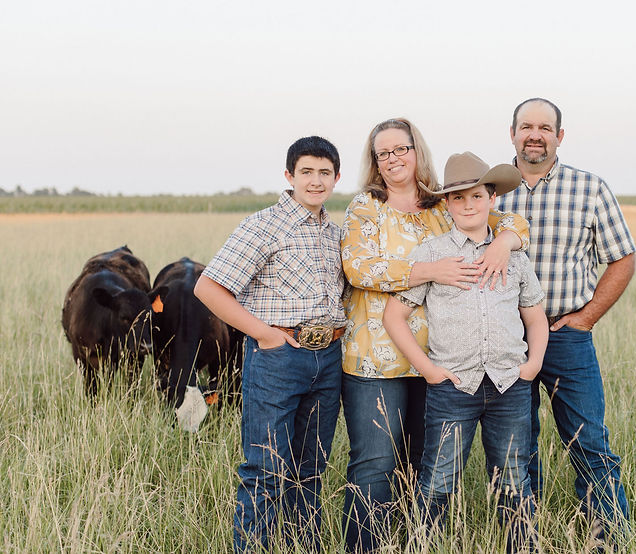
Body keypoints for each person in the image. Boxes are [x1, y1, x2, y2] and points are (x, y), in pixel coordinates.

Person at [340, 118, 530, 552]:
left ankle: (413, 543)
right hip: (376, 358)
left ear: (416, 150)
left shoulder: (441, 206)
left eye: (400, 149)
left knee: (423, 465)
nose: (393, 159)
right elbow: (358, 268)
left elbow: (513, 221)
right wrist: (428, 270)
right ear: (374, 162)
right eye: (383, 153)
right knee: (375, 462)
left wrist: (505, 243)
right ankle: (366, 546)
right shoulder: (366, 208)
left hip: (438, 361)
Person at [382, 152, 549, 552]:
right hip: (453, 386)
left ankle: (521, 547)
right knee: (438, 479)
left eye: (477, 196)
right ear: (448, 204)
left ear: (492, 199)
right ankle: (423, 545)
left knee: (513, 479)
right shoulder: (431, 254)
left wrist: (533, 365)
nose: (469, 205)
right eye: (458, 198)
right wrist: (428, 370)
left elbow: (536, 317)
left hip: (510, 384)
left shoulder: (514, 255)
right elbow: (394, 316)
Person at [193, 136, 345, 553]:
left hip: (328, 357)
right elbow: (208, 287)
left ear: (335, 178)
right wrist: (263, 334)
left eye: (324, 173)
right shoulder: (263, 225)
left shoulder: (335, 233)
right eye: (307, 172)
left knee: (311, 469)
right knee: (265, 467)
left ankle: (303, 545)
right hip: (279, 358)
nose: (316, 181)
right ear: (289, 176)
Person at [496, 98, 636, 538]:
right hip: (504, 339)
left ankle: (609, 539)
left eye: (544, 127)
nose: (534, 134)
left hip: (565, 336)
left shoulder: (590, 188)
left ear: (560, 135)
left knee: (589, 442)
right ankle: (523, 539)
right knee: (515, 449)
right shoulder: (490, 191)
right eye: (525, 126)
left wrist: (588, 316)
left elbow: (622, 258)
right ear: (512, 133)